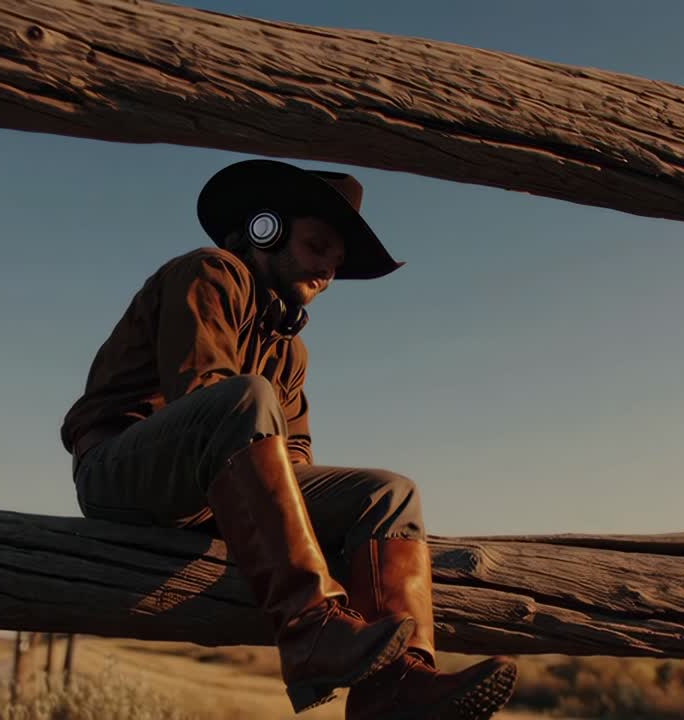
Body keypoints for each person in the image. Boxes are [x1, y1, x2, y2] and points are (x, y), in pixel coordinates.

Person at [61, 158, 517, 718]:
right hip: (121, 470)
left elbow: (293, 460)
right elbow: (203, 397)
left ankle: (399, 685)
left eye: (337, 262)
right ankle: (311, 632)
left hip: (213, 492)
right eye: (317, 246)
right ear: (266, 230)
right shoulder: (211, 272)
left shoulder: (289, 350)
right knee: (243, 395)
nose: (327, 271)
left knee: (390, 492)